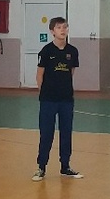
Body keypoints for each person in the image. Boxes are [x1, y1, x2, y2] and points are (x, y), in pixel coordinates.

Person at [33, 16, 82, 180]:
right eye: (59, 27)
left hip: (66, 99)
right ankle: (41, 167)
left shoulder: (72, 51)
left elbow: (71, 73)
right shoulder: (46, 51)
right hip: (48, 100)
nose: (63, 30)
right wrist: (44, 93)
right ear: (52, 31)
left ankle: (65, 166)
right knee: (46, 133)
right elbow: (39, 75)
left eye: (65, 27)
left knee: (66, 133)